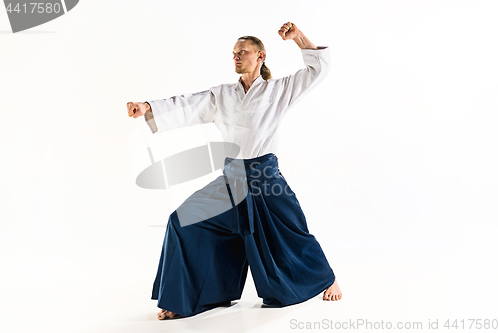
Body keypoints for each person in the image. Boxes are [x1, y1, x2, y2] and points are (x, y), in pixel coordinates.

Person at [127, 22, 342, 320]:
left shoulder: (278, 90)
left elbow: (317, 70)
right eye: (233, 53)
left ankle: (327, 279)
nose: (236, 57)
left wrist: (297, 38)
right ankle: (185, 298)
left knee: (291, 232)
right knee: (181, 222)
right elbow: (188, 104)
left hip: (265, 177)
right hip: (232, 178)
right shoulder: (223, 94)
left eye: (243, 51)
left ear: (261, 56)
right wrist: (148, 107)